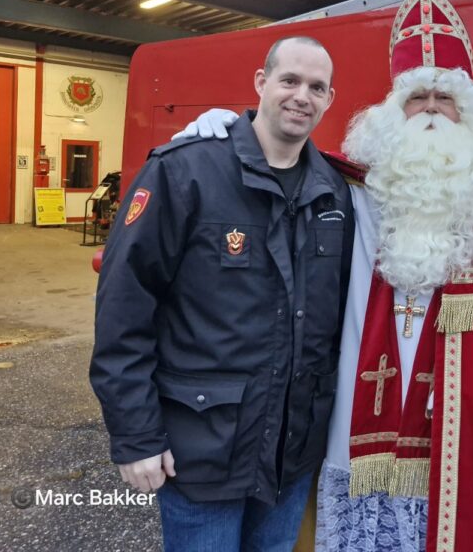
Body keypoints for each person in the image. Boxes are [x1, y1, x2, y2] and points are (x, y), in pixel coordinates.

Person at [186, 0, 473, 552]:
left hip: (455, 413)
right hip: (358, 390)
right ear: (394, 108)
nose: (431, 111)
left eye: (445, 99)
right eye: (418, 97)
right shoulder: (355, 182)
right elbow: (277, 149)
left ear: (469, 111)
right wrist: (220, 126)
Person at [90, 36, 355, 552]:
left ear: (329, 100)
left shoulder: (335, 191)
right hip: (203, 451)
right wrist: (136, 437)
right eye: (290, 80)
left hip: (290, 457)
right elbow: (124, 309)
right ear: (261, 83)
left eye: (316, 87)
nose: (302, 96)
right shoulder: (183, 171)